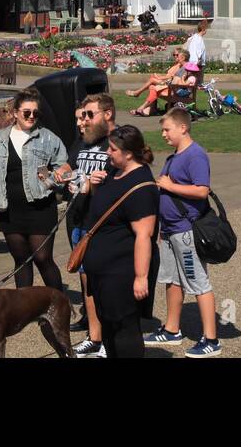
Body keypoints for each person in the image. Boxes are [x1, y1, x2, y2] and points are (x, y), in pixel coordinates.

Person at [76, 124, 159, 359]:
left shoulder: (141, 186)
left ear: (129, 153)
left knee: (125, 328)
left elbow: (144, 235)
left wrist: (141, 278)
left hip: (122, 273)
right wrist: (94, 186)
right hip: (101, 271)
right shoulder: (113, 173)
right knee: (109, 325)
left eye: (112, 149)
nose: (107, 153)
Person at [144, 107, 220, 357]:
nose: (163, 134)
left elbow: (201, 190)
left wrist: (170, 185)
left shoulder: (195, 155)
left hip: (186, 230)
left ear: (182, 128)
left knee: (198, 281)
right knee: (172, 279)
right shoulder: (175, 156)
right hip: (170, 230)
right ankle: (172, 328)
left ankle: (211, 339)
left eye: (167, 129)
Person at [0, 88, 68, 291]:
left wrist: (49, 182)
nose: (31, 117)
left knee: (42, 258)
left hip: (41, 208)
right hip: (10, 209)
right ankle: (23, 308)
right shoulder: (0, 138)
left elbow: (63, 166)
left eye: (35, 113)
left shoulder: (48, 138)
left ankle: (57, 302)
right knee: (20, 260)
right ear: (15, 112)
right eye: (26, 112)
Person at [56, 93, 115, 358]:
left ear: (108, 114)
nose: (84, 121)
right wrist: (64, 172)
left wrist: (95, 184)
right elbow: (73, 160)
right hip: (78, 218)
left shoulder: (118, 141)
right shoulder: (84, 140)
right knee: (86, 279)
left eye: (89, 115)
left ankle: (106, 338)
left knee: (104, 282)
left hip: (101, 221)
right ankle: (95, 336)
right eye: (82, 116)